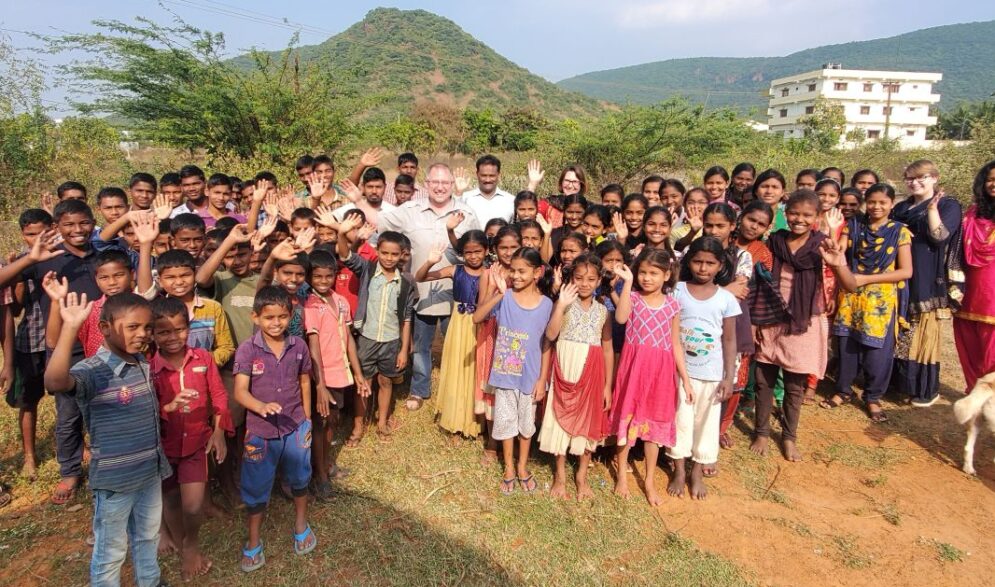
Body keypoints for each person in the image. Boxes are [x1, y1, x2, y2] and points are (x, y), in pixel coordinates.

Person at [45, 292, 170, 587]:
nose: (142, 334)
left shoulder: (141, 362)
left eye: (148, 328)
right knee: (111, 550)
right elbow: (54, 382)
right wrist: (70, 328)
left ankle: (150, 581)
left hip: (149, 473)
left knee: (148, 536)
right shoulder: (92, 371)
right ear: (104, 328)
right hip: (114, 482)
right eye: (132, 327)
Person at [0, 199, 105, 506]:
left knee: (103, 406)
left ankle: (104, 459)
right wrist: (29, 258)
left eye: (84, 223)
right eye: (69, 225)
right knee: (68, 412)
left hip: (100, 342)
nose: (78, 230)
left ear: (92, 222)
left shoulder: (102, 256)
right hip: (64, 345)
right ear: (56, 227)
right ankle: (70, 470)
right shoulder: (45, 258)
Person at [378, 163, 480, 412]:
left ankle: (458, 391)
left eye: (445, 183)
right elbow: (380, 226)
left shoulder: (466, 212)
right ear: (426, 183)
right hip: (420, 292)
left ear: (452, 185)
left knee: (457, 344)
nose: (440, 187)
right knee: (421, 345)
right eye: (435, 182)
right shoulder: (409, 210)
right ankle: (419, 389)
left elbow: (475, 248)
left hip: (457, 293)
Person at [233, 286, 317, 573]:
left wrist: (306, 417)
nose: (276, 323)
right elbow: (241, 392)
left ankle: (301, 524)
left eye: (282, 317)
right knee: (256, 489)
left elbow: (305, 381)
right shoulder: (247, 349)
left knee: (300, 478)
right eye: (269, 317)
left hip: (295, 427)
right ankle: (253, 542)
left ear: (290, 316)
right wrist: (260, 405)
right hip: (260, 432)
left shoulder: (299, 346)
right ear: (256, 317)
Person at [150, 296, 231, 581]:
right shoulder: (148, 368)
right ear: (152, 333)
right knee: (170, 497)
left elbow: (219, 395)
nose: (173, 337)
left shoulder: (204, 358)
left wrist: (219, 431)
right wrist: (168, 408)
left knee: (194, 505)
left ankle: (191, 542)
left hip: (197, 442)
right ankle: (184, 544)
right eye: (164, 332)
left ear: (189, 327)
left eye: (180, 330)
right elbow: (144, 410)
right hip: (164, 446)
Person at [820, 183, 912, 422]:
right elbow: (836, 253)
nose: (876, 206)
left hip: (880, 298)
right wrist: (832, 231)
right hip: (852, 293)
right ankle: (843, 390)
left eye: (882, 202)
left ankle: (872, 397)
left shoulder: (899, 231)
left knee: (876, 351)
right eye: (872, 202)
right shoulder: (854, 226)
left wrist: (868, 279)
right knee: (846, 344)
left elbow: (906, 271)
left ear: (892, 204)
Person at [749, 190, 828, 462]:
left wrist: (837, 263)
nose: (799, 219)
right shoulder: (774, 241)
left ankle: (789, 436)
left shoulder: (822, 246)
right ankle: (760, 431)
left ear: (817, 217)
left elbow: (844, 282)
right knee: (763, 379)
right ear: (785, 212)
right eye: (794, 213)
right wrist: (756, 319)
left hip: (802, 322)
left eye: (807, 215)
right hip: (770, 316)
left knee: (795, 384)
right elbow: (760, 280)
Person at [611, 248, 691, 506]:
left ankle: (648, 480)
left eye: (654, 273)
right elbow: (621, 318)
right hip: (634, 369)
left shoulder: (673, 305)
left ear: (667, 275)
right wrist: (627, 284)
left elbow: (675, 343)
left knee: (654, 428)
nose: (647, 278)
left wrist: (686, 379)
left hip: (661, 372)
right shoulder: (632, 297)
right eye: (642, 272)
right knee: (628, 420)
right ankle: (622, 474)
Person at [472, 248, 553, 496]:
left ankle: (522, 467)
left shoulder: (547, 304)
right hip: (506, 372)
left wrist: (542, 379)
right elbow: (477, 318)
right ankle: (508, 468)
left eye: (522, 271)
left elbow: (547, 345)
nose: (516, 276)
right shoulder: (505, 298)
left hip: (531, 375)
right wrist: (499, 293)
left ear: (537, 273)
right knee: (506, 422)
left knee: (527, 426)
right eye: (513, 271)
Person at [538, 253, 613, 501]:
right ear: (571, 279)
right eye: (579, 278)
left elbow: (607, 348)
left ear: (599, 280)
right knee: (560, 416)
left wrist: (607, 386)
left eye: (591, 279)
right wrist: (560, 304)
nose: (584, 283)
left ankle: (581, 474)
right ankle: (559, 474)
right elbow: (550, 334)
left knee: (589, 419)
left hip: (592, 369)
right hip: (565, 365)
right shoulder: (563, 304)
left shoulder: (603, 312)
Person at [336, 215, 417, 444]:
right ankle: (359, 424)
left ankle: (381, 422)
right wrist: (342, 233)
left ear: (402, 255)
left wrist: (403, 349)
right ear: (377, 251)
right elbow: (344, 254)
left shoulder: (407, 282)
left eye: (394, 254)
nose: (389, 258)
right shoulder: (367, 270)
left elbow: (407, 317)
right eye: (384, 253)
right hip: (367, 338)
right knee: (364, 382)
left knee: (386, 381)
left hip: (391, 340)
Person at [669, 237, 740, 499]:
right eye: (697, 261)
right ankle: (678, 469)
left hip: (711, 373)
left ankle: (697, 470)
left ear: (719, 265)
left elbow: (730, 340)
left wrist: (728, 377)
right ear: (689, 262)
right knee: (681, 421)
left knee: (706, 423)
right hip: (681, 371)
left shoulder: (726, 299)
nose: (702, 268)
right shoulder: (677, 290)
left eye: (709, 263)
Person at [891, 159, 963, 407]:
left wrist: (932, 210)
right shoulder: (901, 208)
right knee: (900, 330)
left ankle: (923, 389)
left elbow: (941, 237)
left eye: (921, 177)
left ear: (934, 177)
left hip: (927, 276)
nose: (915, 182)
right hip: (900, 273)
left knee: (922, 333)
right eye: (910, 178)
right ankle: (899, 385)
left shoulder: (948, 205)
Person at [303, 249, 367, 498]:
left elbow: (349, 339)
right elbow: (314, 346)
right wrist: (319, 384)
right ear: (310, 277)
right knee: (320, 424)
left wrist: (357, 372)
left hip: (341, 373)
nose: (323, 281)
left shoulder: (340, 301)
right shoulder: (310, 305)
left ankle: (326, 464)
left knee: (332, 421)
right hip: (323, 377)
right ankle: (319, 476)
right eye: (317, 276)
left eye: (328, 276)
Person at [416, 231, 488, 437]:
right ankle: (455, 418)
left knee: (477, 370)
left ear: (486, 251)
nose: (473, 256)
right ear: (462, 253)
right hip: (459, 325)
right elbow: (420, 277)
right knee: (458, 368)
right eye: (468, 252)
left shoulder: (491, 273)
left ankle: (477, 420)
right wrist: (430, 262)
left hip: (481, 325)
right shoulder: (455, 271)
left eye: (478, 252)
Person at [6, 209, 53, 481]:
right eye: (30, 234)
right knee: (29, 401)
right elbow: (14, 310)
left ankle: (80, 445)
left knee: (69, 398)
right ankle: (29, 457)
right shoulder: (21, 263)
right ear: (23, 235)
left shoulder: (62, 258)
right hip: (30, 340)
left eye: (42, 232)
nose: (36, 238)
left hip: (60, 340)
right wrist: (18, 275)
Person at [476, 225, 521, 463]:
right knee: (493, 389)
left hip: (515, 338)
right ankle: (493, 443)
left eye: (514, 247)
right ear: (494, 249)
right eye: (503, 247)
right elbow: (481, 310)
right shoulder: (487, 274)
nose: (508, 252)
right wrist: (495, 287)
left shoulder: (523, 273)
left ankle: (514, 438)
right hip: (492, 333)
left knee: (512, 389)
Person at [954, 160, 995, 392]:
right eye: (990, 179)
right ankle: (975, 393)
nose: (993, 184)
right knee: (969, 348)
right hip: (968, 291)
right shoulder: (972, 214)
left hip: (993, 296)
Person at [157, 249, 236, 368]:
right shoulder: (156, 311)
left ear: (195, 275)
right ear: (160, 281)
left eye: (185, 275)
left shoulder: (212, 308)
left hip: (205, 376)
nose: (179, 282)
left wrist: (203, 364)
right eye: (170, 277)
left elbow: (226, 347)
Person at [461, 154, 515, 224]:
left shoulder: (510, 200)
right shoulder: (465, 198)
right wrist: (458, 192)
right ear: (477, 174)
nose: (488, 180)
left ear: (499, 175)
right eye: (484, 175)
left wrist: (532, 184)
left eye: (492, 176)